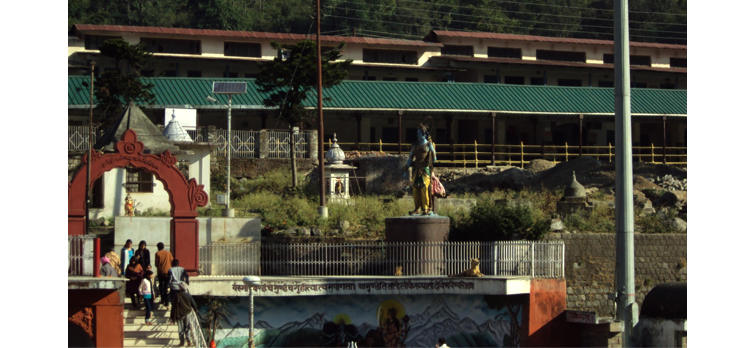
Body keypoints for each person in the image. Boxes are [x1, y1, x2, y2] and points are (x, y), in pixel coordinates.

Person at [405, 123, 437, 215]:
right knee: (415, 188)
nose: (417, 135)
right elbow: (410, 158)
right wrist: (406, 170)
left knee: (424, 188)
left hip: (425, 169)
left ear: (424, 134)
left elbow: (434, 159)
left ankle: (425, 208)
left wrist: (432, 152)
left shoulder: (428, 144)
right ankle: (417, 208)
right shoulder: (414, 146)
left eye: (419, 133)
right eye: (417, 133)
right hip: (415, 169)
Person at [170, 282, 198, 346]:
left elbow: (173, 306)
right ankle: (188, 341)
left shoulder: (177, 295)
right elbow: (193, 304)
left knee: (180, 328)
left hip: (179, 314)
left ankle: (182, 342)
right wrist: (196, 309)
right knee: (187, 327)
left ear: (180, 288)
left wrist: (172, 316)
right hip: (187, 313)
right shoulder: (188, 295)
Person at [154, 242, 174, 309]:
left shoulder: (157, 253)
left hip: (160, 272)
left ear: (158, 247)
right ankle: (166, 301)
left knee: (161, 285)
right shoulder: (169, 253)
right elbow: (172, 261)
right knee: (167, 286)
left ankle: (162, 299)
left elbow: (156, 264)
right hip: (168, 271)